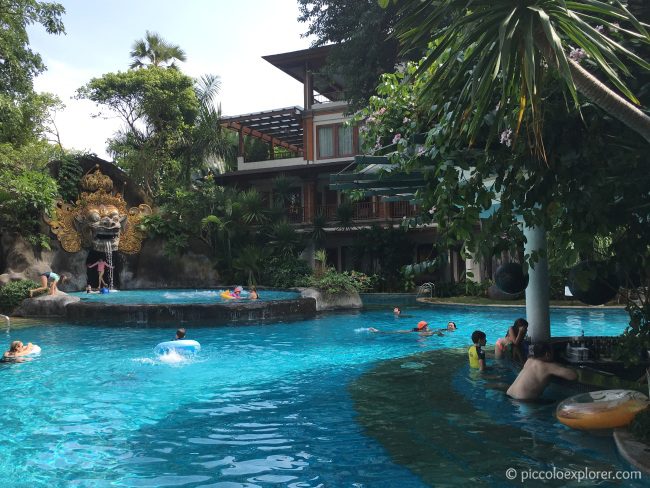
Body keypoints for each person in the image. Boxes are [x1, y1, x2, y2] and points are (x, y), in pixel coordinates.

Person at [506, 342, 578, 400]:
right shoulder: (546, 366)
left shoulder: (529, 361)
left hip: (510, 395)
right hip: (523, 401)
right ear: (547, 354)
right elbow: (573, 376)